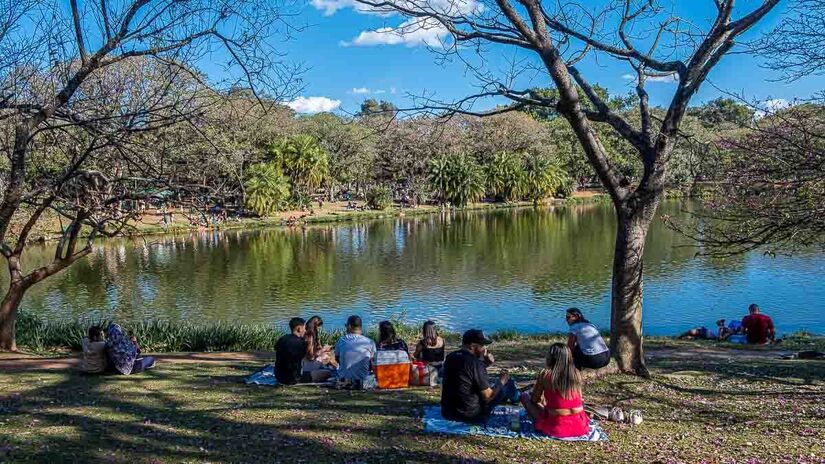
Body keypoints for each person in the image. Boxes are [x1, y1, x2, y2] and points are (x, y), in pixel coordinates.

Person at [440, 329, 518, 424]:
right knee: (508, 383)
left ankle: (509, 397)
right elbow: (488, 396)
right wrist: (502, 380)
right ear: (472, 346)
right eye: (482, 345)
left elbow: (466, 373)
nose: (485, 348)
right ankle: (517, 399)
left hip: (448, 412)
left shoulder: (451, 357)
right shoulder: (476, 363)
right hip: (471, 415)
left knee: (495, 386)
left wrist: (485, 363)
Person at [520, 343, 591, 438]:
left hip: (557, 427)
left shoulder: (545, 374)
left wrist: (540, 402)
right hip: (581, 426)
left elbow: (534, 400)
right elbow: (579, 399)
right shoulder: (576, 374)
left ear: (551, 358)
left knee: (524, 396)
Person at [334, 315, 376, 383]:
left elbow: (337, 359)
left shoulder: (341, 340)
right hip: (363, 379)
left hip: (344, 378)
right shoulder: (370, 342)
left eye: (346, 325)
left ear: (349, 326)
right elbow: (373, 362)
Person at [302, 316, 337, 382]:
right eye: (319, 326)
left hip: (305, 362)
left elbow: (315, 351)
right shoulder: (309, 336)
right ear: (315, 326)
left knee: (328, 354)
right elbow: (310, 357)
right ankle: (338, 370)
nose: (320, 329)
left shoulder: (307, 334)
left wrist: (322, 349)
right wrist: (323, 350)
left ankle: (336, 368)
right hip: (307, 365)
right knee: (328, 356)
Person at [275, 317, 307, 385]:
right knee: (325, 373)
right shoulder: (300, 343)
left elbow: (276, 348)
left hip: (278, 376)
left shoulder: (282, 338)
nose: (305, 330)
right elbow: (308, 358)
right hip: (293, 378)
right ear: (299, 329)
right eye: (304, 328)